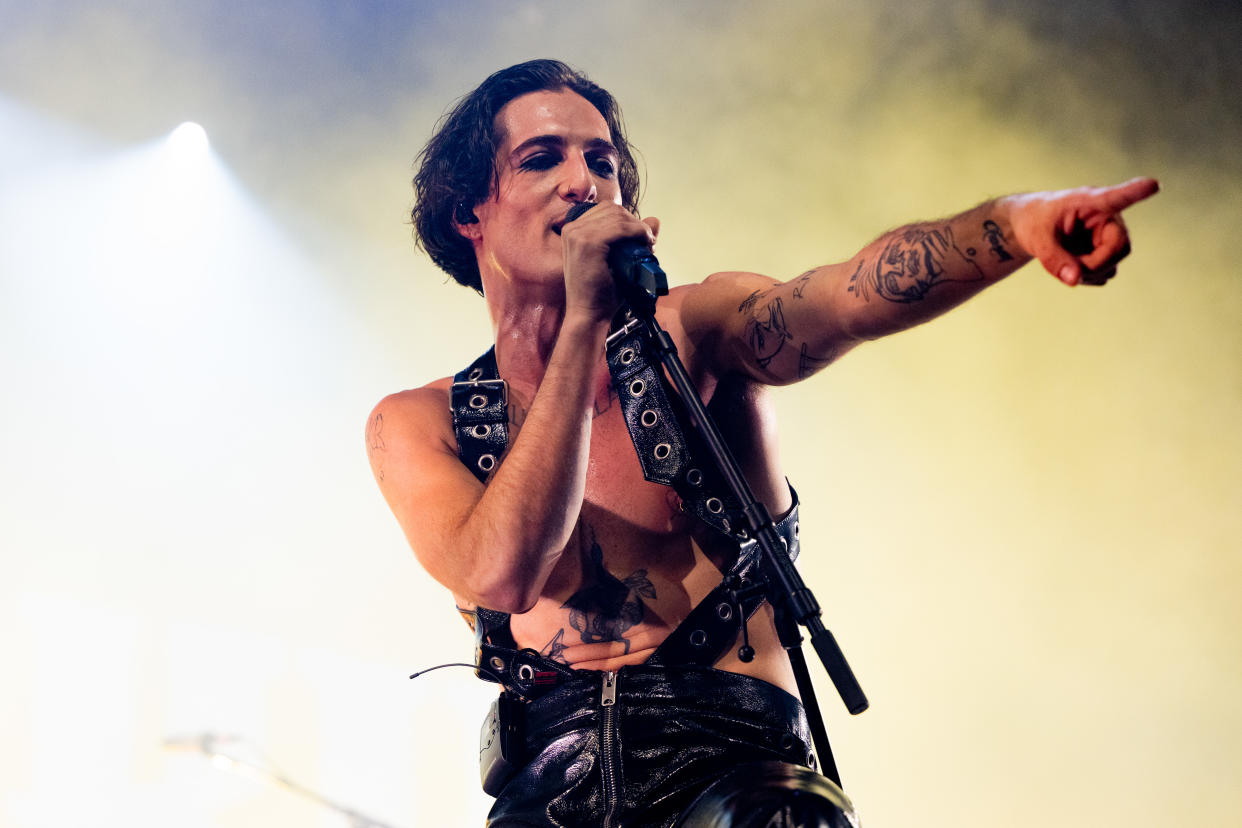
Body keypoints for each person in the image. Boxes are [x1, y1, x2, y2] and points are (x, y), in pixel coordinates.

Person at [366, 59, 1158, 827]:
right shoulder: (420, 423)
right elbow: (503, 573)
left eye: (601, 161)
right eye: (543, 159)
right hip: (550, 788)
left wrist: (1014, 225)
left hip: (735, 774)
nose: (584, 181)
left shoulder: (698, 330)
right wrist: (580, 327)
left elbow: (846, 298)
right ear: (466, 211)